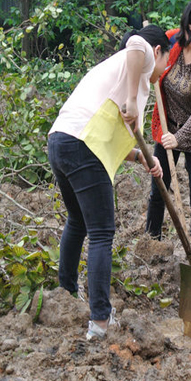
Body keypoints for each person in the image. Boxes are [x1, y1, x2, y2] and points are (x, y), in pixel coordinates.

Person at [48, 25, 169, 341]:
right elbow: (136, 41)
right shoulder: (139, 59)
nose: (164, 71)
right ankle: (100, 322)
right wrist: (131, 98)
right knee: (102, 231)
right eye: (166, 61)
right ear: (159, 52)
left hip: (61, 141)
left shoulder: (122, 74)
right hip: (81, 144)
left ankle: (66, 295)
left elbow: (107, 130)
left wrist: (140, 157)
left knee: (78, 221)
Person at [147, 0, 191, 269]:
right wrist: (168, 134)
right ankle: (151, 245)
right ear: (185, 25)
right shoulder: (171, 42)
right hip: (167, 126)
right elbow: (147, 54)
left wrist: (180, 138)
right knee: (159, 188)